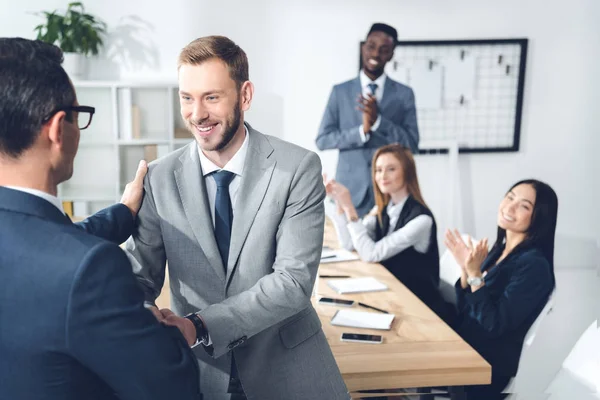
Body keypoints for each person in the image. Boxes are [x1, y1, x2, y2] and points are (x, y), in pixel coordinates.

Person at [125, 35, 349, 400]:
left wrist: (196, 325)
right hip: (197, 373)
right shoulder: (158, 178)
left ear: (244, 95)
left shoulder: (297, 168)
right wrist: (150, 319)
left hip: (288, 368)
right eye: (187, 97)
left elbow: (293, 281)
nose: (197, 114)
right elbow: (137, 281)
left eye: (211, 97)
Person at [0, 37, 201, 400]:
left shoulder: (43, 248)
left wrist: (123, 212)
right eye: (80, 116)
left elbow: (43, 241)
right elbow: (174, 389)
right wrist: (161, 329)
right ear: (58, 129)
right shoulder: (92, 269)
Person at [444, 179, 558, 399]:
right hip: (465, 345)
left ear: (539, 218)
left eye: (524, 206)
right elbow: (467, 310)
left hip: (485, 366)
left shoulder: (534, 266)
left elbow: (493, 324)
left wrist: (476, 274)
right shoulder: (499, 250)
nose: (510, 206)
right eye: (510, 197)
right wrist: (465, 271)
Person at [325, 144, 446, 318]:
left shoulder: (421, 220)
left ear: (407, 172)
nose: (382, 176)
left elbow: (370, 253)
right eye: (378, 170)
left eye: (391, 169)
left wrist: (350, 208)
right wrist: (339, 203)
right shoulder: (383, 209)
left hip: (421, 307)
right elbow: (350, 244)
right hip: (392, 296)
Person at [316, 22, 419, 217]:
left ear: (391, 54)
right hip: (350, 194)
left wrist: (379, 122)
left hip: (391, 193)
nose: (375, 54)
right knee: (348, 246)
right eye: (371, 46)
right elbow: (323, 139)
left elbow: (412, 144)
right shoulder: (340, 92)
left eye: (384, 49)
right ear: (364, 47)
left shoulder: (404, 94)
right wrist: (361, 132)